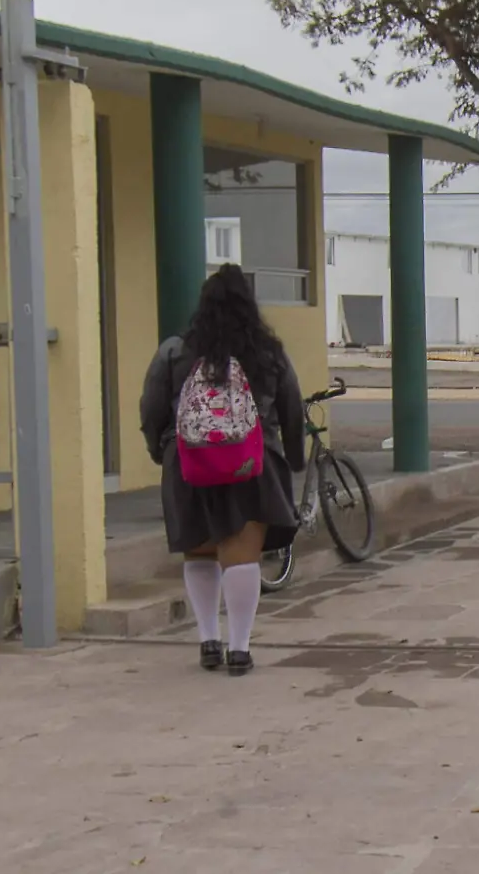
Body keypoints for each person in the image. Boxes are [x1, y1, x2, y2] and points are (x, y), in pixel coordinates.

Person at [139, 264, 306, 677]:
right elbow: (291, 407)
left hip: (190, 463)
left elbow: (151, 407)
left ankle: (208, 640)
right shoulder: (269, 353)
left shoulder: (175, 351)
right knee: (241, 555)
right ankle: (240, 648)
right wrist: (294, 457)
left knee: (200, 549)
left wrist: (163, 451)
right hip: (251, 465)